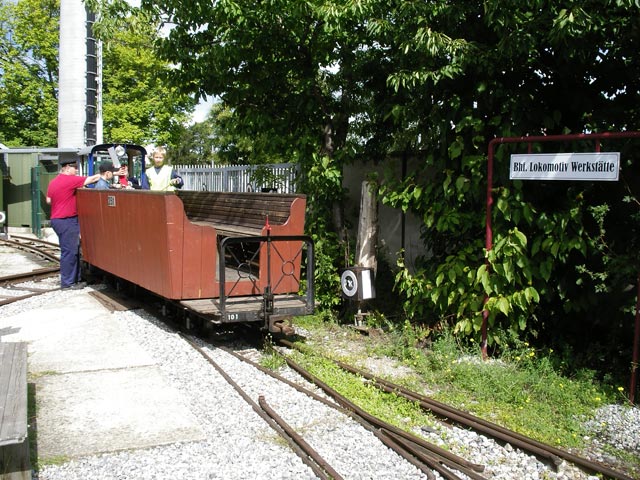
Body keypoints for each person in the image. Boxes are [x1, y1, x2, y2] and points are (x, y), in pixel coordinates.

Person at [46, 157, 101, 289]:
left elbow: (49, 200)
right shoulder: (69, 180)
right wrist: (111, 173)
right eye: (74, 167)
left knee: (72, 250)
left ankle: (75, 279)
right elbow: (93, 179)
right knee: (69, 252)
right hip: (66, 220)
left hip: (57, 220)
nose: (76, 169)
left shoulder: (53, 182)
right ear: (67, 167)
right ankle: (68, 283)